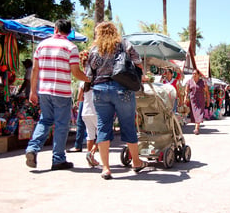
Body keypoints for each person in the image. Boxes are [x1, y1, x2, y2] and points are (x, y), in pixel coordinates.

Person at [25, 19, 90, 170]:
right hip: (62, 92)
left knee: (45, 120)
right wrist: (90, 79)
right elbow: (75, 72)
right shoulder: (71, 47)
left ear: (55, 29)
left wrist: (33, 91)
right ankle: (58, 159)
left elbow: (35, 70)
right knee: (61, 125)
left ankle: (32, 149)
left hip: (44, 91)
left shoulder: (42, 45)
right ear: (69, 32)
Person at [87, 21, 146, 180]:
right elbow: (138, 61)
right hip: (122, 89)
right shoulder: (123, 44)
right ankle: (136, 162)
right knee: (128, 125)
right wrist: (140, 76)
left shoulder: (94, 49)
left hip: (100, 90)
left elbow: (89, 74)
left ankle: (106, 168)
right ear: (114, 32)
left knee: (103, 127)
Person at [66, 51, 89, 153]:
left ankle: (78, 145)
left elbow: (81, 90)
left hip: (85, 101)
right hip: (94, 100)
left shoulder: (84, 74)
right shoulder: (94, 73)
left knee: (80, 123)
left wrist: (78, 101)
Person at [185, 69, 210, 135]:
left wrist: (208, 101)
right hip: (193, 100)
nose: (194, 75)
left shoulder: (203, 82)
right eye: (193, 73)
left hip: (201, 100)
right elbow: (186, 91)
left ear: (199, 75)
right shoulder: (189, 81)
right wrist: (185, 98)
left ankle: (196, 128)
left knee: (199, 113)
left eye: (195, 73)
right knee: (194, 114)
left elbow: (207, 92)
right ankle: (197, 126)